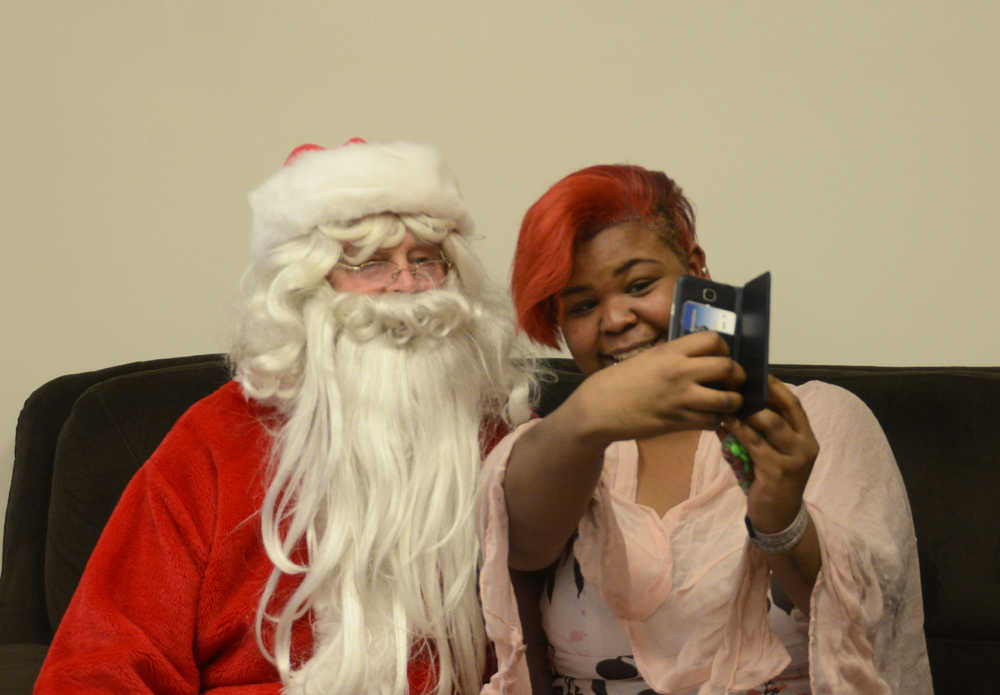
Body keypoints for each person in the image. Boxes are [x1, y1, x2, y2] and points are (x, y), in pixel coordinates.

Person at [34, 139, 535, 694]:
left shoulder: (499, 433)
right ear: (307, 288)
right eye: (371, 263)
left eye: (425, 261)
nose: (407, 286)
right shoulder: (215, 439)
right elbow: (103, 660)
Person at [476, 164, 932, 694]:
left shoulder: (822, 420)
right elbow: (523, 548)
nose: (616, 318)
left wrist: (782, 520)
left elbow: (868, 627)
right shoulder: (557, 448)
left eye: (640, 284)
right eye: (582, 306)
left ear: (696, 272)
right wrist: (589, 417)